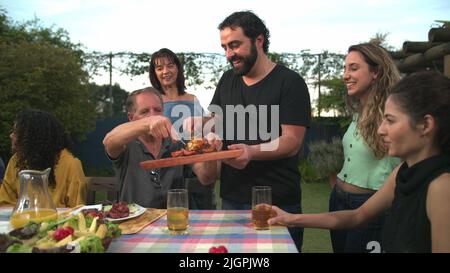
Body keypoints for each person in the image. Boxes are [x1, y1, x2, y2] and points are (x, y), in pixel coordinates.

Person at [269, 71, 450, 253]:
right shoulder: (402, 173)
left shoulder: (441, 187)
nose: (380, 130)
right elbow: (358, 215)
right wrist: (290, 219)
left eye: (390, 120)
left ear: (425, 125)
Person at [195, 11, 311, 252]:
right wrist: (203, 124)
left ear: (258, 40)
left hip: (277, 202)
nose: (229, 54)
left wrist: (251, 151)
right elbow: (217, 120)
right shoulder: (227, 80)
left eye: (235, 45)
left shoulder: (290, 82)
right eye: (225, 47)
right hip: (231, 197)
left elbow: (292, 140)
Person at [324, 43, 402, 253]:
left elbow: (407, 163)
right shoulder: (359, 112)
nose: (345, 75)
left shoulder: (394, 114)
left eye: (353, 68)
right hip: (339, 201)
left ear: (375, 72)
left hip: (370, 208)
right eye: (345, 68)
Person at [102, 87, 220, 209]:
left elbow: (207, 178)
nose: (153, 115)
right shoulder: (126, 144)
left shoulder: (176, 142)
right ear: (131, 118)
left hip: (173, 221)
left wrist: (210, 152)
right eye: (145, 112)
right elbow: (109, 140)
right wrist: (148, 123)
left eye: (157, 110)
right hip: (134, 222)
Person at [149, 48, 214, 210]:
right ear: (154, 73)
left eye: (170, 66)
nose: (165, 71)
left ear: (178, 68)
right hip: (165, 172)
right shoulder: (152, 102)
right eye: (159, 68)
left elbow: (203, 132)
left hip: (195, 171)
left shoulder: (192, 99)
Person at [0, 109, 87, 207]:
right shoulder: (16, 160)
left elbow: (77, 209)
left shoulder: (71, 164)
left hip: (57, 221)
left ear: (32, 136)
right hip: (19, 220)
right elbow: (4, 201)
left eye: (16, 132)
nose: (11, 135)